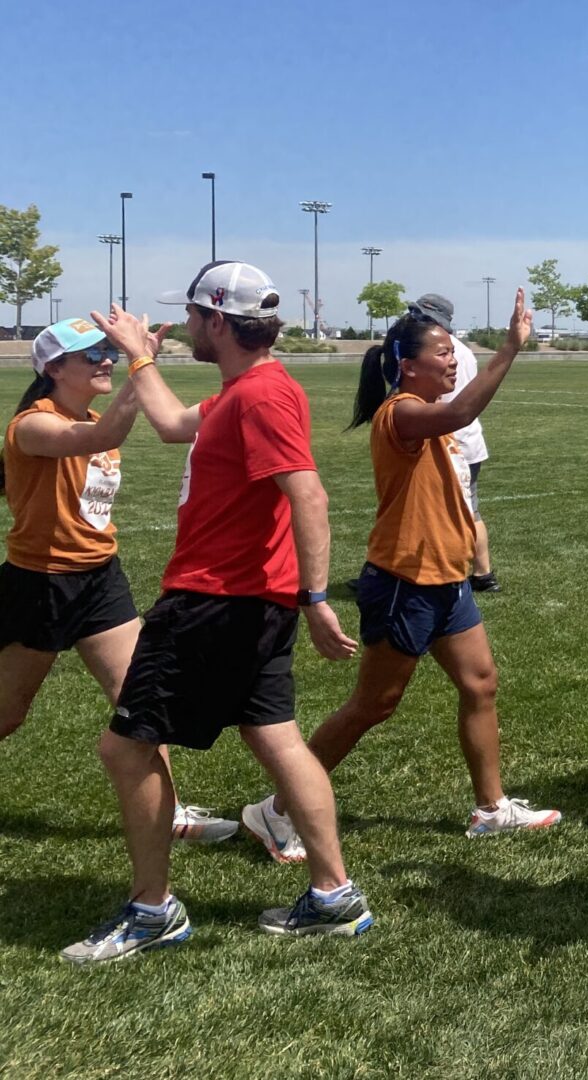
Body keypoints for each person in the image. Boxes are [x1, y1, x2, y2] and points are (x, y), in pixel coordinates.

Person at [60, 261, 372, 966]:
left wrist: (317, 598)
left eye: (195, 319)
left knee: (127, 745)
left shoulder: (261, 398)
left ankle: (151, 911)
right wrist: (141, 355)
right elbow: (172, 424)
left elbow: (309, 495)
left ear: (219, 323)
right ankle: (334, 895)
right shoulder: (244, 391)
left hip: (216, 600)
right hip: (243, 600)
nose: (190, 329)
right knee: (276, 739)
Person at [241, 290, 559, 862]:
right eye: (441, 352)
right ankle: (276, 810)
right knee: (373, 705)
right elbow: (462, 411)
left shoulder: (425, 412)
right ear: (407, 366)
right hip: (405, 580)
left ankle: (491, 809)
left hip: (446, 580)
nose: (452, 358)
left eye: (453, 351)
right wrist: (510, 348)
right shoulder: (402, 413)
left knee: (480, 684)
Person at [1, 319, 236, 843]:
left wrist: (137, 361)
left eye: (107, 351)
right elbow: (104, 434)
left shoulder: (88, 414)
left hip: (100, 580)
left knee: (142, 697)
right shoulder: (34, 425)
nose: (104, 359)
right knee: (7, 713)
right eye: (92, 355)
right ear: (54, 369)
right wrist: (138, 363)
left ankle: (169, 811)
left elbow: (104, 432)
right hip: (41, 586)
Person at [411, 293, 501, 594]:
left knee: (447, 510)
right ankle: (482, 574)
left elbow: (446, 404)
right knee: (469, 510)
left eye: (419, 314)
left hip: (453, 440)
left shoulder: (440, 350)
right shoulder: (462, 350)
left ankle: (463, 573)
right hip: (466, 440)